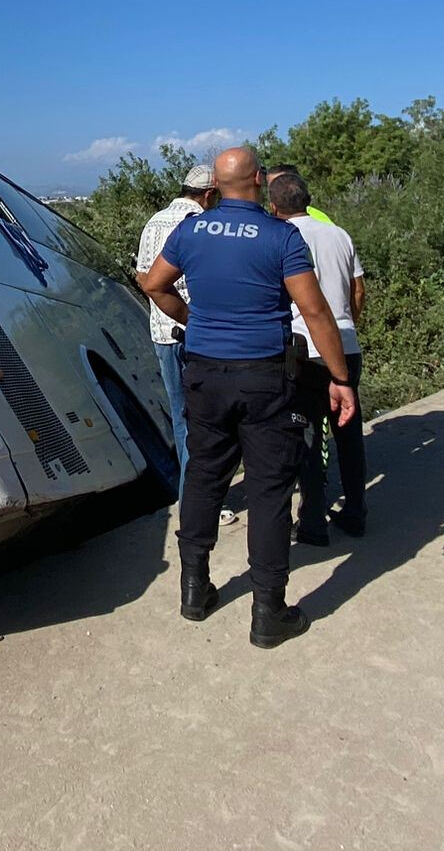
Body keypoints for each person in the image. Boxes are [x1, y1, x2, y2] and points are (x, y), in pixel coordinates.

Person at [139, 147, 357, 648]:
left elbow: (154, 284)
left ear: (215, 184)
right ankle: (268, 611)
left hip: (205, 374)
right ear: (259, 179)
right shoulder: (281, 235)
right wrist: (339, 378)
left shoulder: (192, 229)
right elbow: (315, 310)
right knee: (269, 489)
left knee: (204, 476)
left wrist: (195, 324)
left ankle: (194, 590)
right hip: (263, 377)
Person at [267, 171, 368, 544]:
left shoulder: (281, 238)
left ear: (273, 206)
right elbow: (358, 289)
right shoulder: (338, 234)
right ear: (307, 200)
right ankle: (356, 511)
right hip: (345, 343)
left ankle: (312, 520)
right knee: (349, 434)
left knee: (307, 434)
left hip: (304, 348)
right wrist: (347, 326)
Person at [134, 164, 217, 500]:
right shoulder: (201, 224)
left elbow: (143, 277)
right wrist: (192, 316)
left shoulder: (154, 221)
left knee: (182, 418)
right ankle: (204, 498)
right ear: (209, 195)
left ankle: (190, 498)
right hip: (199, 332)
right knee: (209, 420)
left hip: (162, 331)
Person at [261, 164, 334, 224]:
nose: (274, 190)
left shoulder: (319, 220)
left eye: (280, 184)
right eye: (271, 186)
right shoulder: (267, 220)